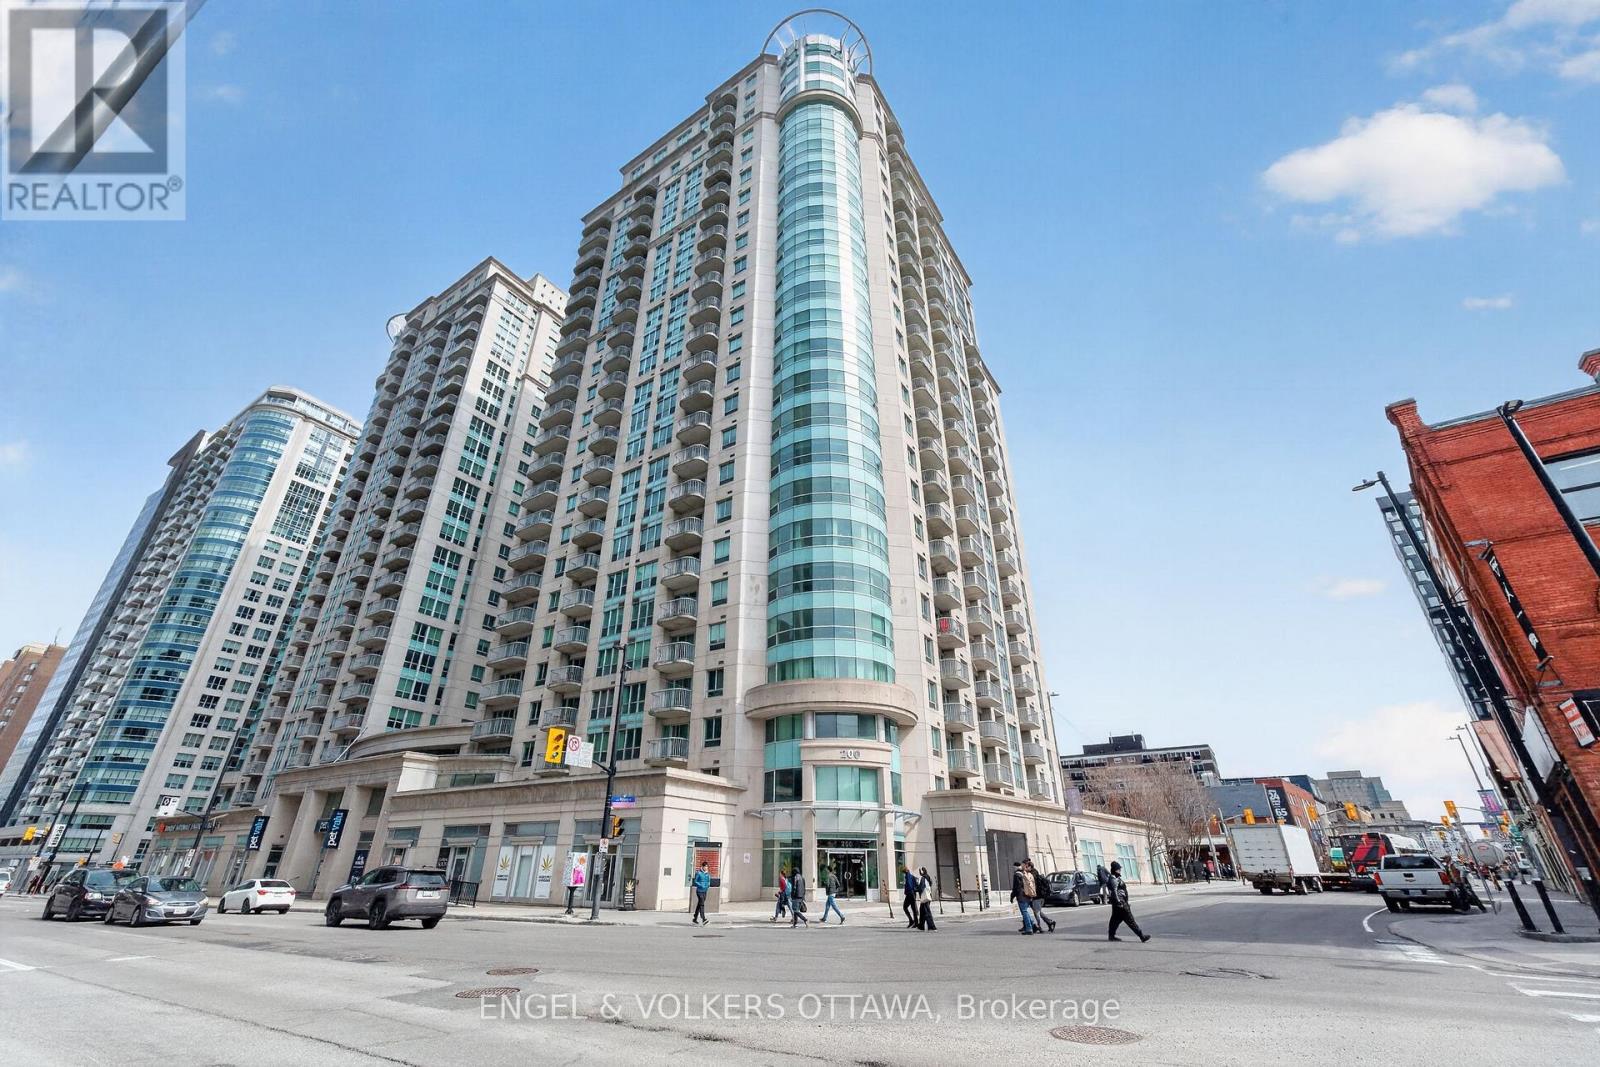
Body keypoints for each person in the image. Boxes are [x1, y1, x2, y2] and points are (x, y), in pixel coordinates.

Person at [1105, 861, 1150, 943]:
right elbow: (1114, 892)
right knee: (1130, 920)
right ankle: (1141, 936)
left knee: (1114, 921)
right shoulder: (1113, 879)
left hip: (1119, 903)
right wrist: (1119, 902)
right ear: (1115, 870)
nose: (1120, 870)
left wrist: (1124, 901)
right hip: (1121, 904)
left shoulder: (1115, 878)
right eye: (1118, 869)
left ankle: (1111, 936)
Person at [1025, 860, 1055, 932]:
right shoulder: (1035, 873)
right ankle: (1050, 922)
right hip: (1040, 896)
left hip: (1037, 897)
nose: (1025, 868)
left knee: (1036, 913)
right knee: (1039, 911)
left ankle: (1039, 927)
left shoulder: (1032, 875)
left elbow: (1031, 885)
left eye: (1026, 867)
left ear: (1030, 867)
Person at [1010, 861, 1037, 934]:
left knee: (1024, 912)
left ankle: (1029, 928)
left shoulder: (1017, 875)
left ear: (1015, 867)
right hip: (1028, 894)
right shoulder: (1024, 873)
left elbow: (1016, 887)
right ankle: (1032, 925)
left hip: (1021, 896)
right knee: (1025, 912)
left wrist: (1012, 896)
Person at [917, 867, 937, 931]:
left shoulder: (923, 878)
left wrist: (917, 889)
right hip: (928, 895)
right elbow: (930, 884)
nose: (919, 873)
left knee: (927, 912)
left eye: (920, 871)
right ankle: (921, 926)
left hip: (925, 897)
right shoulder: (928, 877)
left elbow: (921, 887)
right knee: (922, 911)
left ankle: (932, 926)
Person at [691, 861, 711, 925]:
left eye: (707, 866)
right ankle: (703, 919)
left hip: (705, 891)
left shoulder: (707, 874)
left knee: (699, 904)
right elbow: (695, 881)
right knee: (702, 904)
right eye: (705, 866)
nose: (706, 868)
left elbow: (708, 881)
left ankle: (695, 918)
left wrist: (708, 885)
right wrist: (701, 885)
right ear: (702, 867)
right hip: (699, 891)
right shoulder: (698, 873)